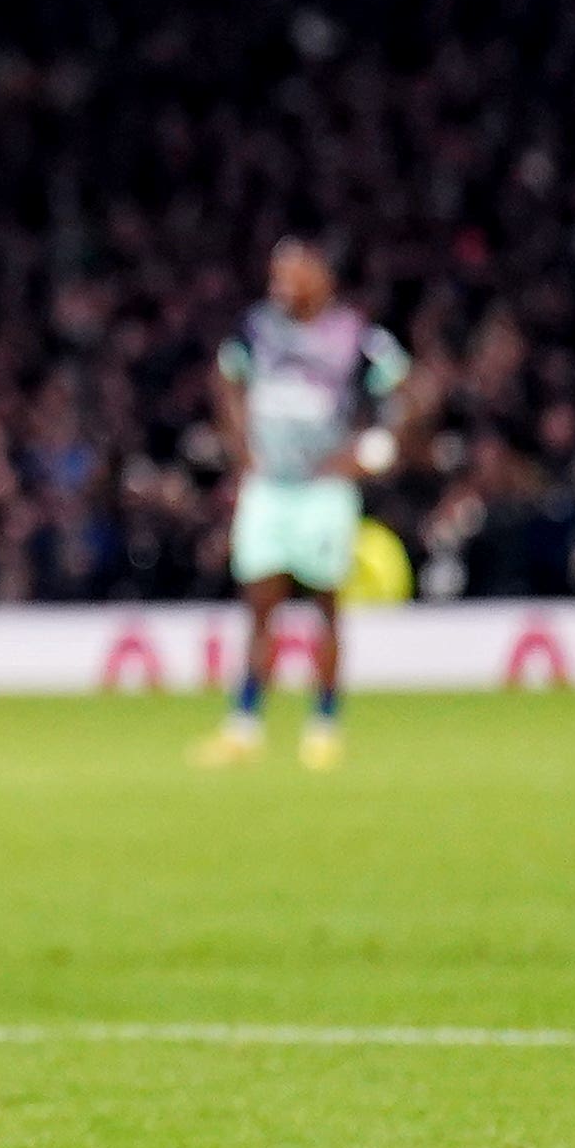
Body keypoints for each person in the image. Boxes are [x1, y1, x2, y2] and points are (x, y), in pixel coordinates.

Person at [195, 238, 415, 771]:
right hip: (270, 486)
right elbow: (225, 377)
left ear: (322, 277)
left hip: (322, 489)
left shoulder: (355, 336)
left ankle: (324, 725)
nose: (280, 283)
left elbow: (408, 389)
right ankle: (245, 725)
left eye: (292, 272)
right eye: (276, 273)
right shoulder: (257, 328)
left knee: (325, 607)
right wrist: (242, 449)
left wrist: (373, 451)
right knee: (259, 607)